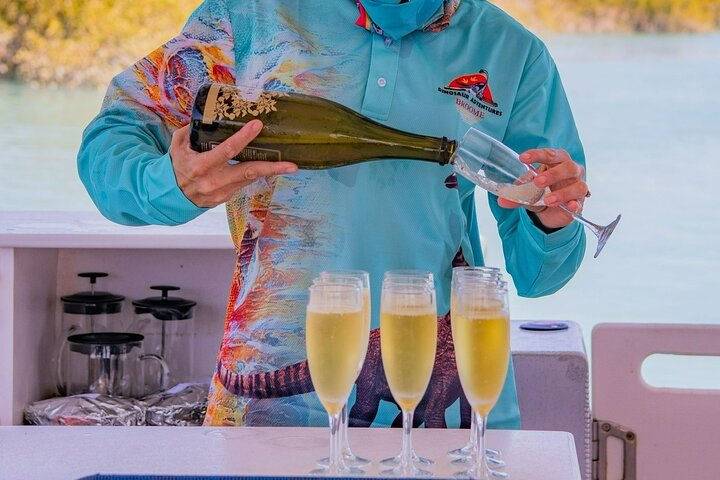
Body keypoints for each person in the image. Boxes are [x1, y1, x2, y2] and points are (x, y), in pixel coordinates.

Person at [78, 0, 588, 428]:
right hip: (263, 412)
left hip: (451, 413)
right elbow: (112, 138)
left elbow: (539, 274)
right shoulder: (248, 17)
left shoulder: (512, 50)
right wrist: (171, 183)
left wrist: (553, 219)